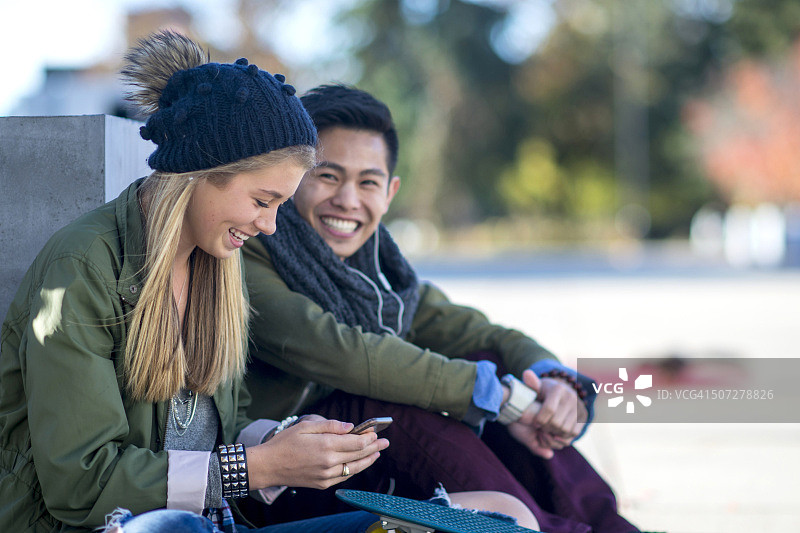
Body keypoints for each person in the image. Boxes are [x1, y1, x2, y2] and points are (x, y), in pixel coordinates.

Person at [0, 31, 389, 533]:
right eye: (261, 201)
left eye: (279, 206)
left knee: (424, 525)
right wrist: (260, 468)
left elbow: (224, 421)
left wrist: (285, 441)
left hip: (214, 524)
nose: (269, 225)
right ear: (197, 174)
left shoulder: (219, 263)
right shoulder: (82, 268)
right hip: (113, 527)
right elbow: (82, 485)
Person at [242, 84, 640, 533]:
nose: (348, 200)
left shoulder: (381, 273)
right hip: (278, 480)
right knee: (390, 396)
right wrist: (502, 399)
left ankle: (611, 527)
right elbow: (345, 354)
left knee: (486, 363)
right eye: (328, 176)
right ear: (293, 177)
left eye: (367, 182)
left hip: (353, 464)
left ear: (389, 193)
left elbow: (484, 335)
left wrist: (551, 382)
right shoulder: (253, 250)